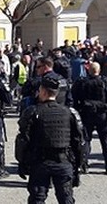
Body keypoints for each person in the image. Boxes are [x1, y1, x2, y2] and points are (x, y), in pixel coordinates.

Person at [16, 74, 84, 204]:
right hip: (63, 160)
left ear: (42, 91)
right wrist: (78, 165)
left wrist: (22, 161)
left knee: (37, 199)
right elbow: (79, 141)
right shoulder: (70, 112)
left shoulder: (32, 111)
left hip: (40, 162)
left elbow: (23, 139)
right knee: (66, 199)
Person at [71, 62, 107, 175]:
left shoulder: (81, 82)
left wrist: (76, 113)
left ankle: (84, 165)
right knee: (105, 141)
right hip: (102, 115)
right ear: (99, 70)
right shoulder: (105, 82)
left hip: (86, 114)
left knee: (86, 140)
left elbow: (74, 99)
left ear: (88, 70)